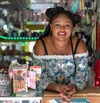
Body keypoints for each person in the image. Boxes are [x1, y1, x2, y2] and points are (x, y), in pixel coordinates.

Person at [33, 6, 88, 102]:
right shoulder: (41, 45)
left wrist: (70, 88)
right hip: (47, 98)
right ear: (51, 26)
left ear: (72, 27)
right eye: (57, 25)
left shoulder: (79, 45)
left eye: (67, 25)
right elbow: (38, 78)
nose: (62, 29)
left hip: (74, 97)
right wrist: (58, 88)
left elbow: (81, 77)